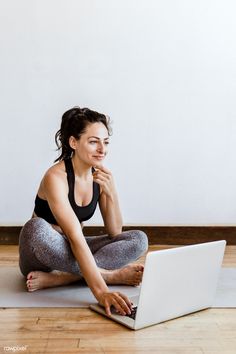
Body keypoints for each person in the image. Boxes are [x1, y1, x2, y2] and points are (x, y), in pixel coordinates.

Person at [19, 107, 148, 316]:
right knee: (36, 228)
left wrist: (111, 191)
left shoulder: (100, 176)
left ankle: (65, 277)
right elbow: (75, 237)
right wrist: (102, 292)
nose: (102, 149)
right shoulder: (56, 177)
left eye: (105, 142)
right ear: (73, 142)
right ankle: (108, 275)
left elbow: (115, 232)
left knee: (138, 239)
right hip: (41, 254)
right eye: (93, 141)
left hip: (71, 251)